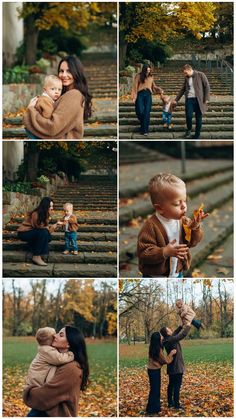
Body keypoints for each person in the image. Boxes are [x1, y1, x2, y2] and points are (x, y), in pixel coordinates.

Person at [137, 173, 208, 278]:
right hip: (155, 275)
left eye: (184, 201)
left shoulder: (184, 221)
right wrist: (164, 252)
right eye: (177, 204)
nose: (184, 206)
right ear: (160, 208)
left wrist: (195, 227)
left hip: (177, 272)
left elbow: (192, 243)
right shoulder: (151, 226)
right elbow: (143, 253)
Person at [23, 326, 89, 417]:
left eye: (60, 335)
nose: (55, 336)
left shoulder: (71, 368)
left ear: (68, 344)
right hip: (44, 411)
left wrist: (28, 392)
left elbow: (45, 396)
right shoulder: (55, 360)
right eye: (57, 332)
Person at [23, 56, 92, 139]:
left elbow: (52, 127)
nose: (64, 75)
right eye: (61, 71)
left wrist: (31, 110)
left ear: (77, 73)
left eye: (69, 71)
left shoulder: (74, 95)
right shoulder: (65, 94)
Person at [17, 197, 58, 266]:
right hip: (24, 233)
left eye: (52, 206)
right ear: (45, 206)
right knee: (44, 233)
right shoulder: (36, 214)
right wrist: (52, 227)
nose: (52, 208)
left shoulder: (45, 213)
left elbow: (44, 228)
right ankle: (36, 256)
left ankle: (32, 247)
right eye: (50, 206)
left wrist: (55, 226)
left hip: (33, 231)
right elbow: (41, 229)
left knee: (48, 237)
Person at [173, 64, 210, 139]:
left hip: (199, 100)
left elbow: (207, 87)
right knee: (188, 116)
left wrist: (206, 99)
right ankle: (189, 130)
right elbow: (182, 89)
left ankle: (197, 135)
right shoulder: (186, 78)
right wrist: (176, 99)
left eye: (185, 72)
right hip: (189, 99)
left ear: (189, 70)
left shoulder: (201, 74)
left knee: (198, 117)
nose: (185, 74)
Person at [160, 325, 191, 410]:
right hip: (177, 367)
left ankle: (170, 403)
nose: (170, 329)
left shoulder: (166, 340)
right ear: (167, 333)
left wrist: (180, 326)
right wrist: (188, 326)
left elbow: (174, 333)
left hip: (171, 367)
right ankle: (176, 405)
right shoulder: (171, 339)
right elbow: (182, 335)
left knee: (171, 385)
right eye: (168, 329)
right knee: (177, 385)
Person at [146, 332, 177, 415]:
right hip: (154, 371)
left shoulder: (153, 346)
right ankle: (153, 409)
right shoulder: (158, 349)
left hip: (151, 370)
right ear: (158, 339)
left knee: (154, 389)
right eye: (161, 336)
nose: (162, 337)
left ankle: (153, 408)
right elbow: (165, 361)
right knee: (155, 390)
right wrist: (171, 354)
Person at [131, 63, 163, 136]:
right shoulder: (138, 76)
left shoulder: (151, 77)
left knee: (147, 112)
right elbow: (134, 87)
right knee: (139, 111)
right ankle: (144, 126)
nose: (148, 71)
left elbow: (154, 87)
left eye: (149, 70)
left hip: (148, 94)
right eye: (147, 70)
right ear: (144, 69)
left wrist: (159, 90)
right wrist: (134, 97)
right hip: (140, 94)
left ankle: (145, 130)